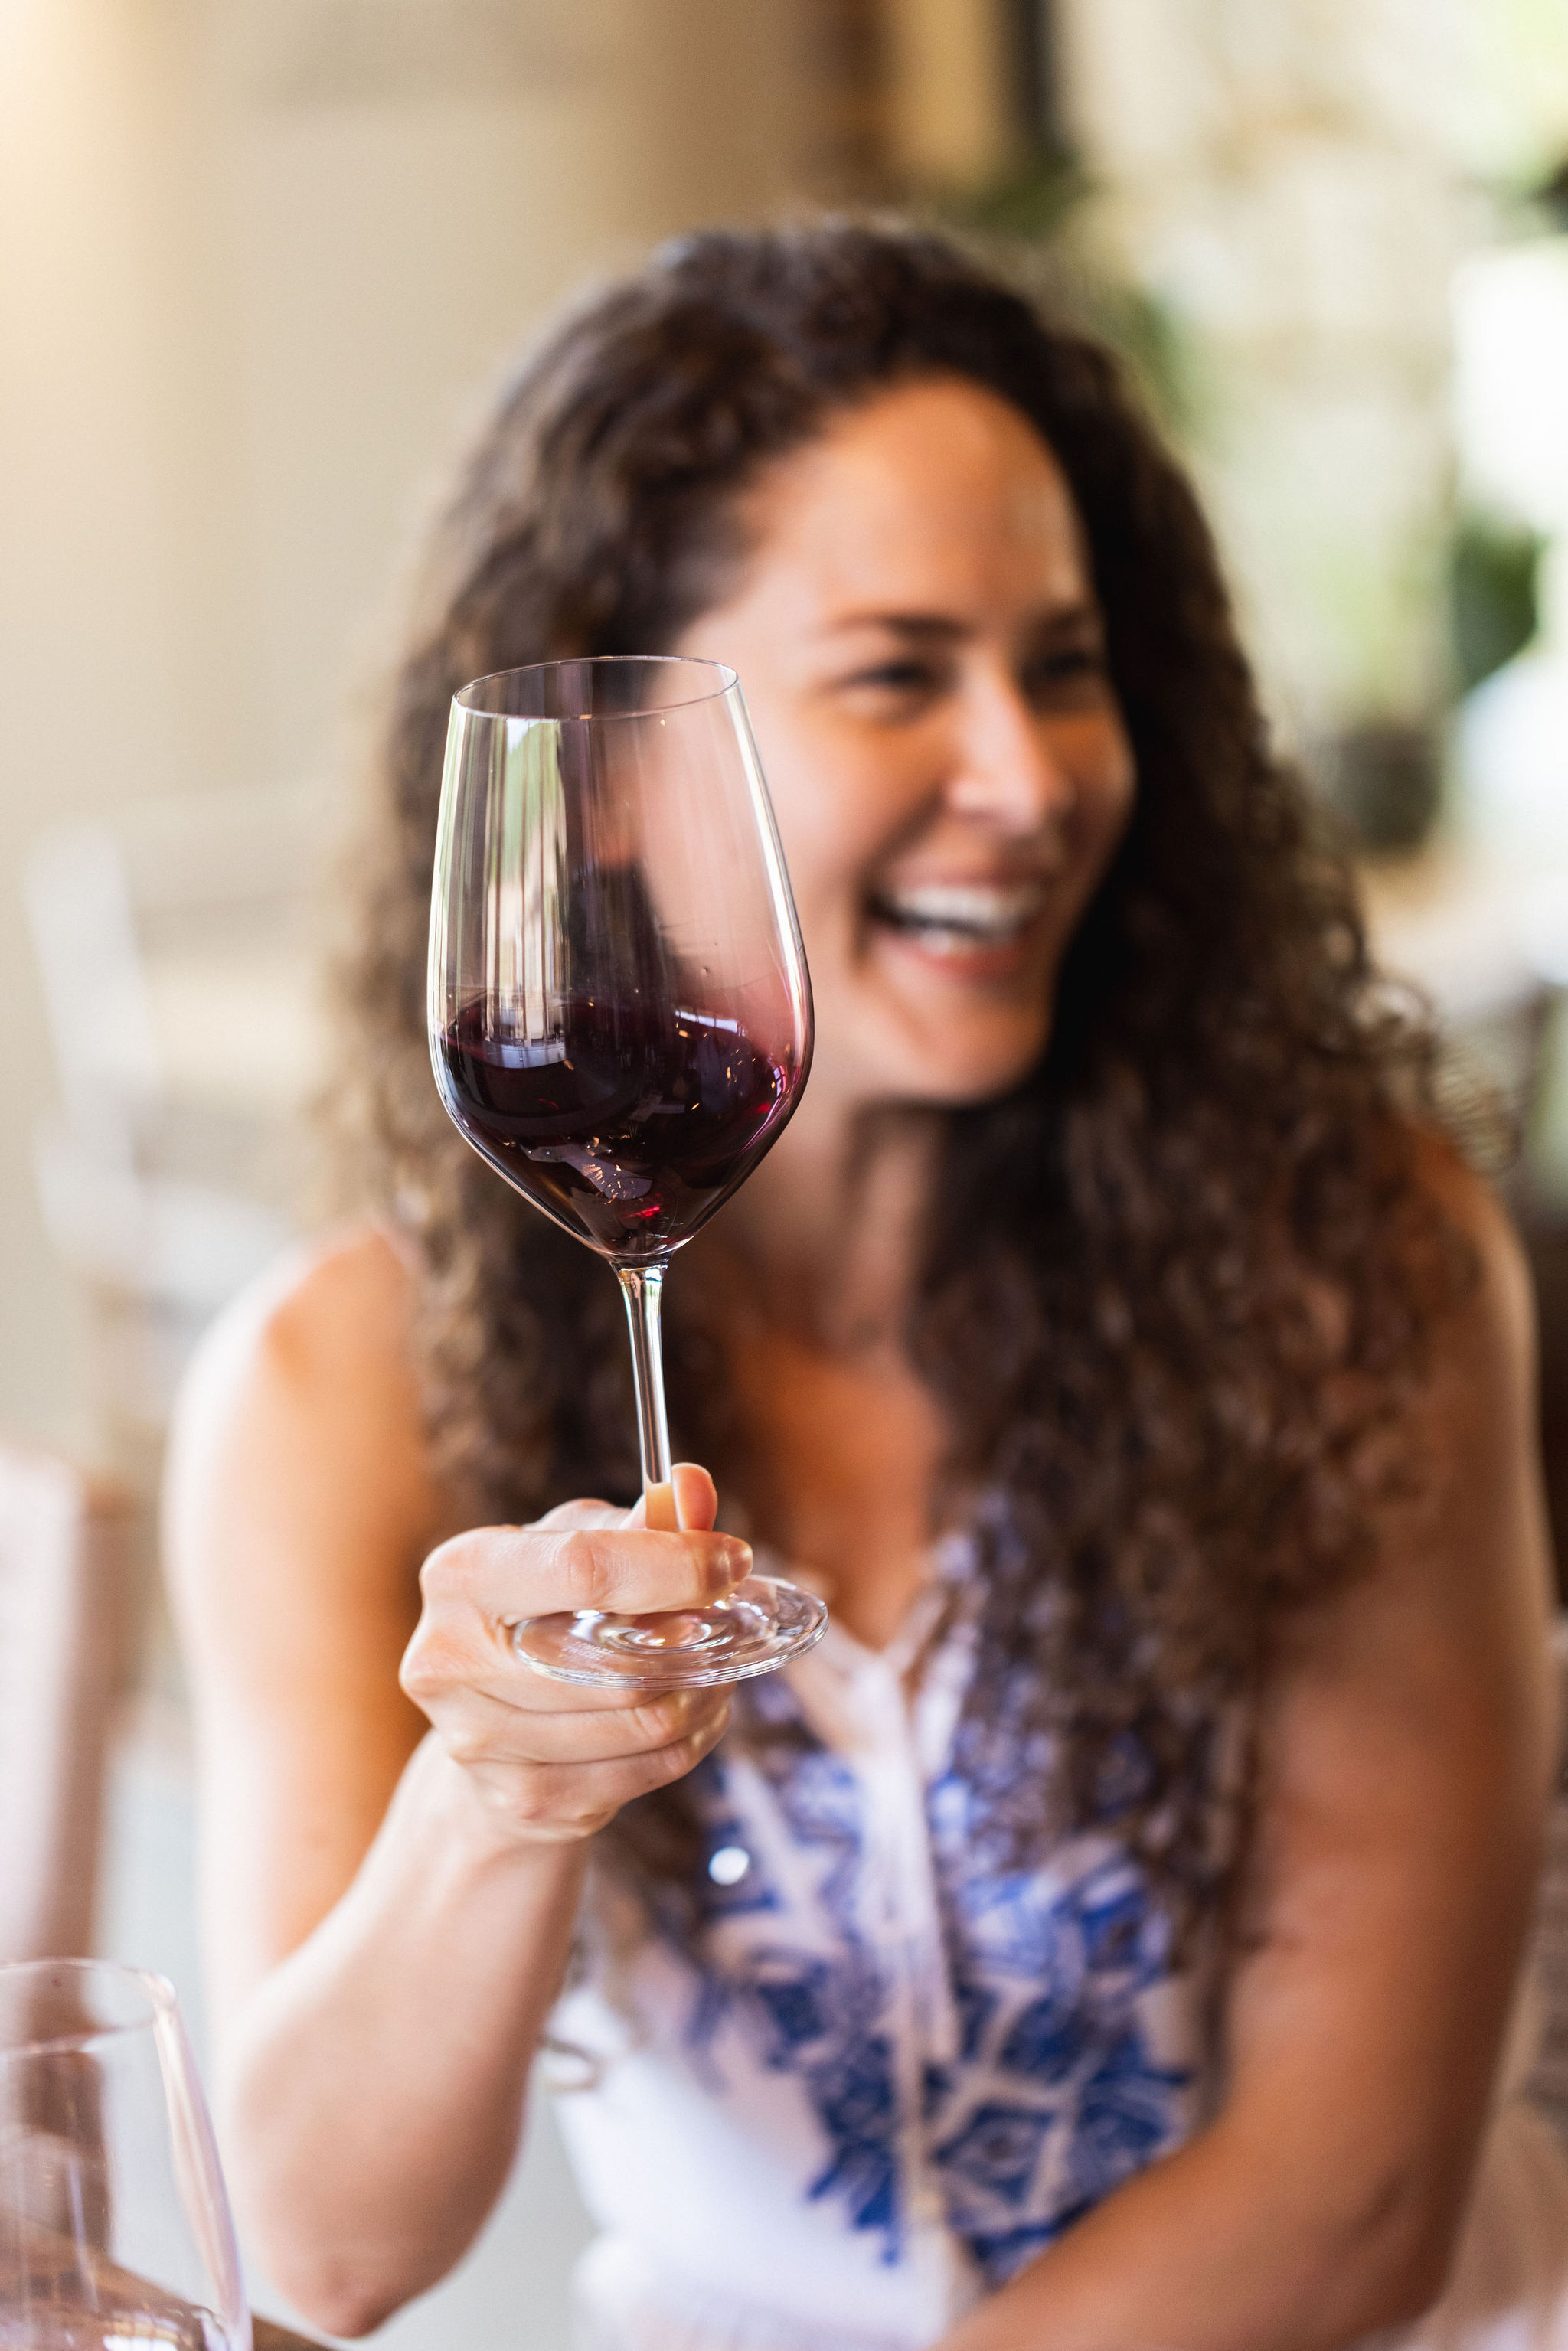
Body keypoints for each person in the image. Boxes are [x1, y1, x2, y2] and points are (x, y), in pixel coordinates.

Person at [165, 223, 1564, 2351]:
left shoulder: (1346, 1267)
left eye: (1067, 666)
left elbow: (1351, 2199)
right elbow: (328, 2249)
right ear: (623, 785)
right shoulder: (329, 1382)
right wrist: (497, 1793)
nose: (1026, 776)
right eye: (899, 674)